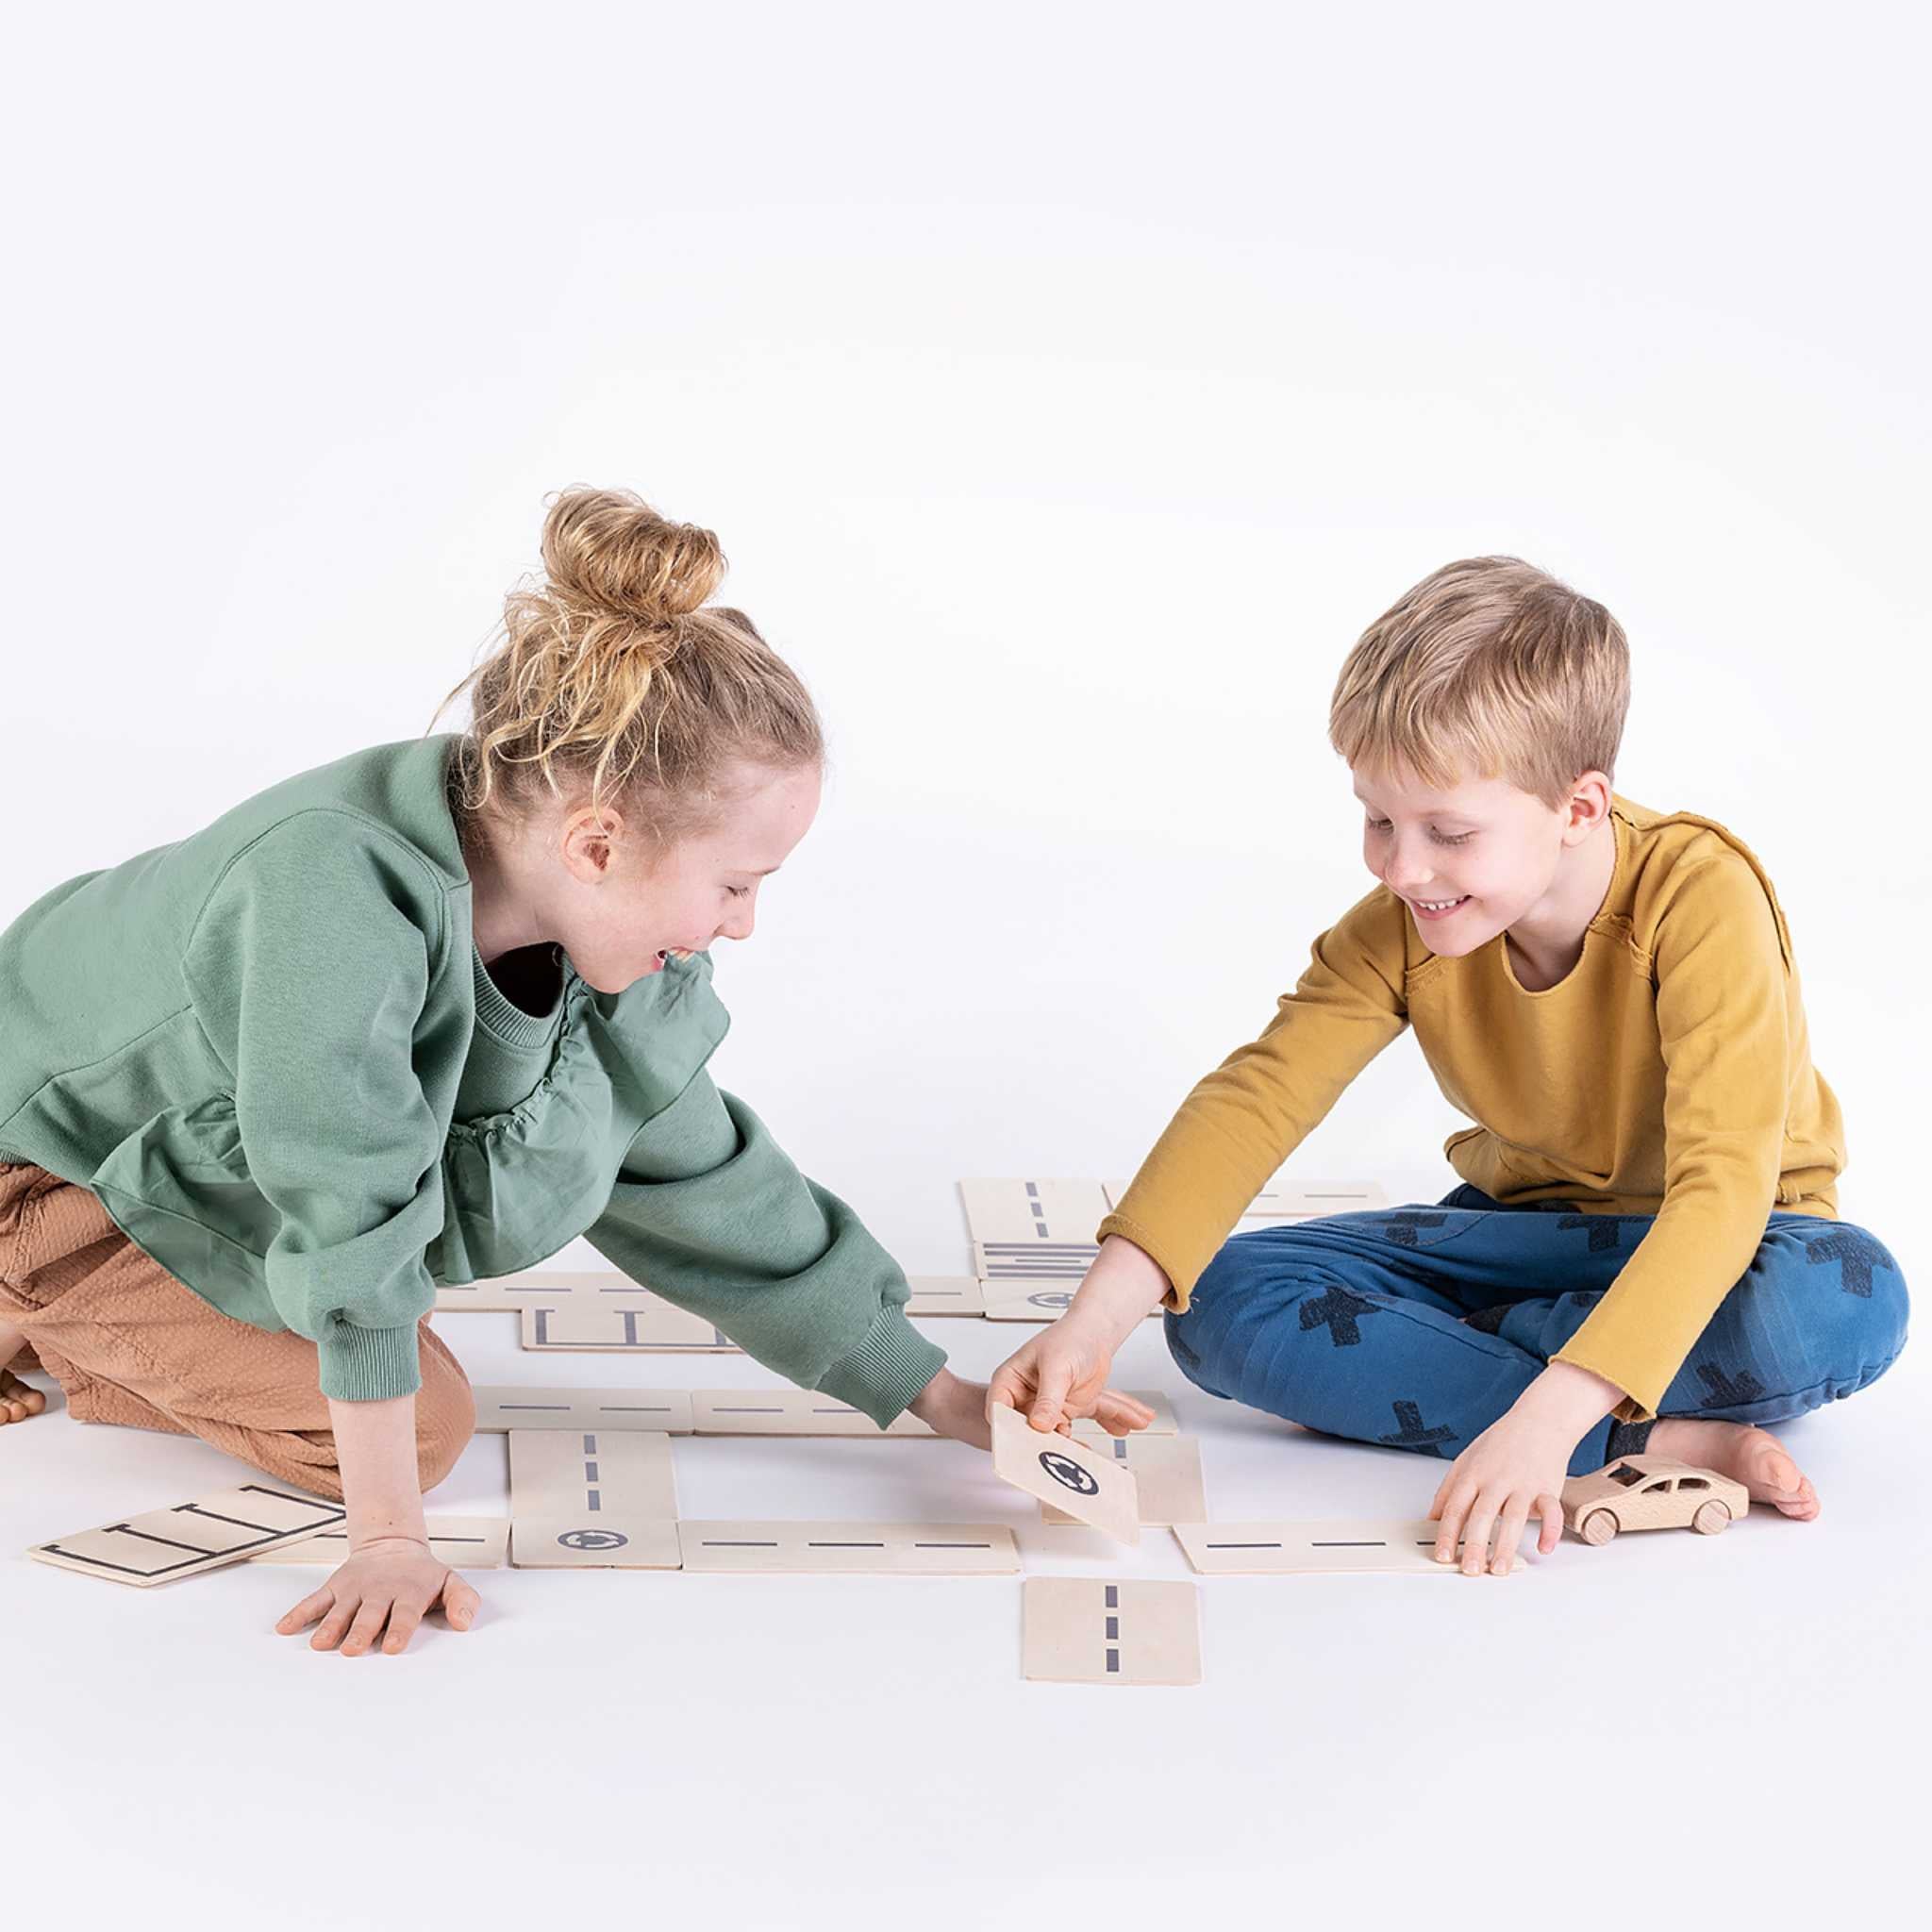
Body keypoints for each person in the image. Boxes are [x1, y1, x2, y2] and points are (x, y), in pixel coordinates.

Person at [0, 484, 1150, 1655]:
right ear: (596, 842)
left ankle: (70, 1308)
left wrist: (943, 1400)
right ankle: (25, 1298)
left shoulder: (589, 920)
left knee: (397, 1379)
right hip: (37, 1170)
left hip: (164, 1174)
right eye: (737, 883)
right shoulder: (330, 898)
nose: (744, 924)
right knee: (426, 1424)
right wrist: (386, 1529)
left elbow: (699, 1176)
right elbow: (347, 1214)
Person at [988, 555, 1907, 1574]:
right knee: (1211, 1303)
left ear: (1577, 806)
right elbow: (1256, 1098)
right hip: (1523, 1237)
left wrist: (1548, 1408)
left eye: (1447, 832)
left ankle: (1534, 1383)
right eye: (1377, 817)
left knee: (1848, 1295)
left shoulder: (1700, 897)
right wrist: (1090, 1322)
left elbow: (1721, 1190)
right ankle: (1643, 1433)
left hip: (1738, 1240)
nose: (1397, 866)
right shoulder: (1401, 924)